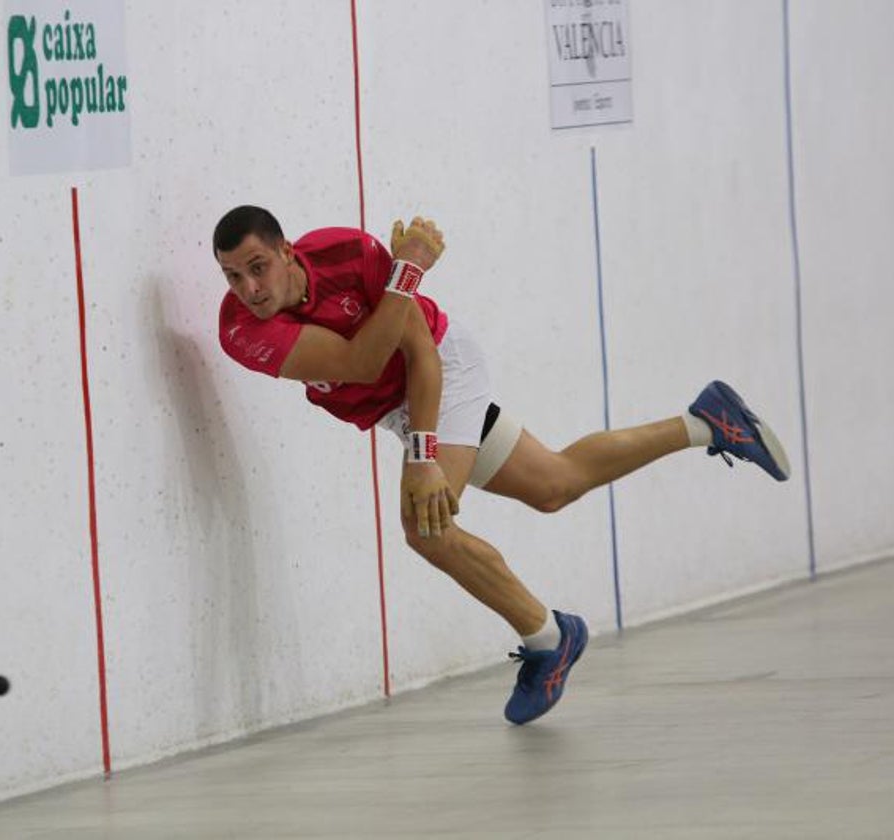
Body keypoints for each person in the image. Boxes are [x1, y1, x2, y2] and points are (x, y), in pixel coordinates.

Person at [213, 205, 789, 724]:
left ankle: (548, 639)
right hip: (392, 403)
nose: (249, 288)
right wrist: (407, 272)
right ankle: (709, 422)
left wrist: (424, 453)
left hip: (444, 367)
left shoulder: (347, 250)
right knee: (555, 484)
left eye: (258, 266)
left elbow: (419, 352)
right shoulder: (242, 332)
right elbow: (362, 364)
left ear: (288, 251)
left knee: (426, 526)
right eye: (234, 276)